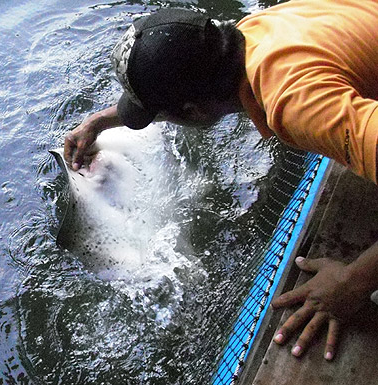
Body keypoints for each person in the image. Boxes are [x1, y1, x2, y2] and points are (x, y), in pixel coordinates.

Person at [63, 1, 378, 361]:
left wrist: (353, 282)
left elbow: (303, 99)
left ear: (193, 112)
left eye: (160, 115)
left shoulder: (295, 103)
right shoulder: (256, 31)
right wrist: (100, 122)